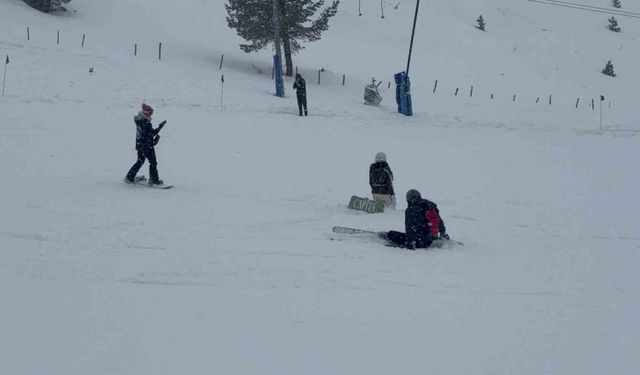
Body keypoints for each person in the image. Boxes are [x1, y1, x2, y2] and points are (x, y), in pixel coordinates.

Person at [382, 189, 449, 250]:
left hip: (420, 242)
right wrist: (443, 232)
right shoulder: (430, 206)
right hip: (432, 238)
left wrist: (410, 243)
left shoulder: (410, 210)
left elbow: (410, 228)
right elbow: (439, 221)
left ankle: (386, 235)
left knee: (391, 234)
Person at [124, 103, 166, 185]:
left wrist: (153, 139)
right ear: (146, 113)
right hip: (146, 146)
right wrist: (159, 128)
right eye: (150, 113)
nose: (151, 116)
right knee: (153, 162)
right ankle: (153, 180)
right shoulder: (146, 123)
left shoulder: (139, 121)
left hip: (140, 145)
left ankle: (130, 176)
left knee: (140, 161)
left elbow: (146, 135)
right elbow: (150, 134)